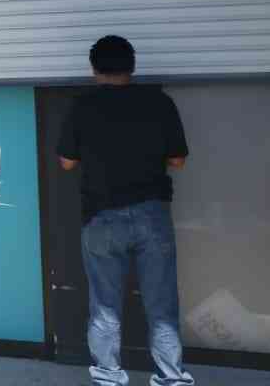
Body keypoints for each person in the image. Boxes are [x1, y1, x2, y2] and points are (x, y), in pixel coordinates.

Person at [58, 36, 195, 386]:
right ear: (132, 66)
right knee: (162, 306)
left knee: (105, 306)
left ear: (94, 68)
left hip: (101, 217)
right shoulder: (159, 103)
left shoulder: (82, 106)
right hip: (152, 214)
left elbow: (67, 162)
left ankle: (108, 379)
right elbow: (178, 160)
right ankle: (172, 379)